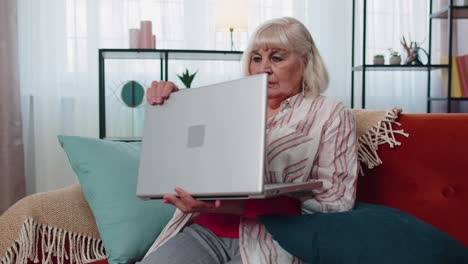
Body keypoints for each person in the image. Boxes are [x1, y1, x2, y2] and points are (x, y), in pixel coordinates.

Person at [141, 17, 358, 264]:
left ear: (305, 61)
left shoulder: (330, 113)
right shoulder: (228, 107)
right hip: (206, 231)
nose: (264, 68)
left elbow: (336, 202)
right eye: (257, 58)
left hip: (275, 241)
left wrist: (236, 207)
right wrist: (175, 105)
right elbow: (191, 160)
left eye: (277, 58)